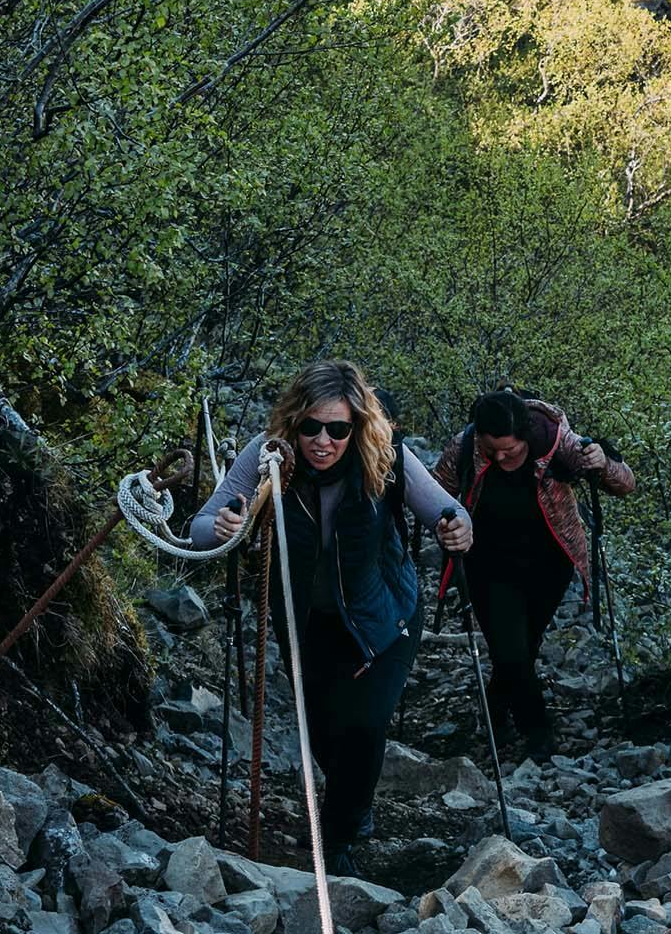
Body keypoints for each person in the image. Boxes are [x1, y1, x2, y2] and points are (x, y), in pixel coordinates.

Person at [189, 358, 470, 873]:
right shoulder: (268, 457)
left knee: (364, 725)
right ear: (293, 422)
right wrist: (227, 525)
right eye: (311, 427)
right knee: (322, 734)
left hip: (385, 618)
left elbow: (447, 511)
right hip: (309, 625)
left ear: (356, 427)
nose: (323, 440)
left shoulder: (387, 459)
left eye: (337, 429)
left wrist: (456, 528)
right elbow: (202, 525)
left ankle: (338, 839)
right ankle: (352, 804)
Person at [431, 388, 635, 761]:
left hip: (548, 564)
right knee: (510, 650)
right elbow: (433, 495)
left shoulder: (558, 442)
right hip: (487, 564)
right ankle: (538, 732)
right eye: (493, 450)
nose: (501, 457)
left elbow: (625, 483)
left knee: (524, 646)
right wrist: (444, 526)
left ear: (525, 435)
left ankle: (494, 708)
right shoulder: (464, 447)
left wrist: (603, 463)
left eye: (510, 449)